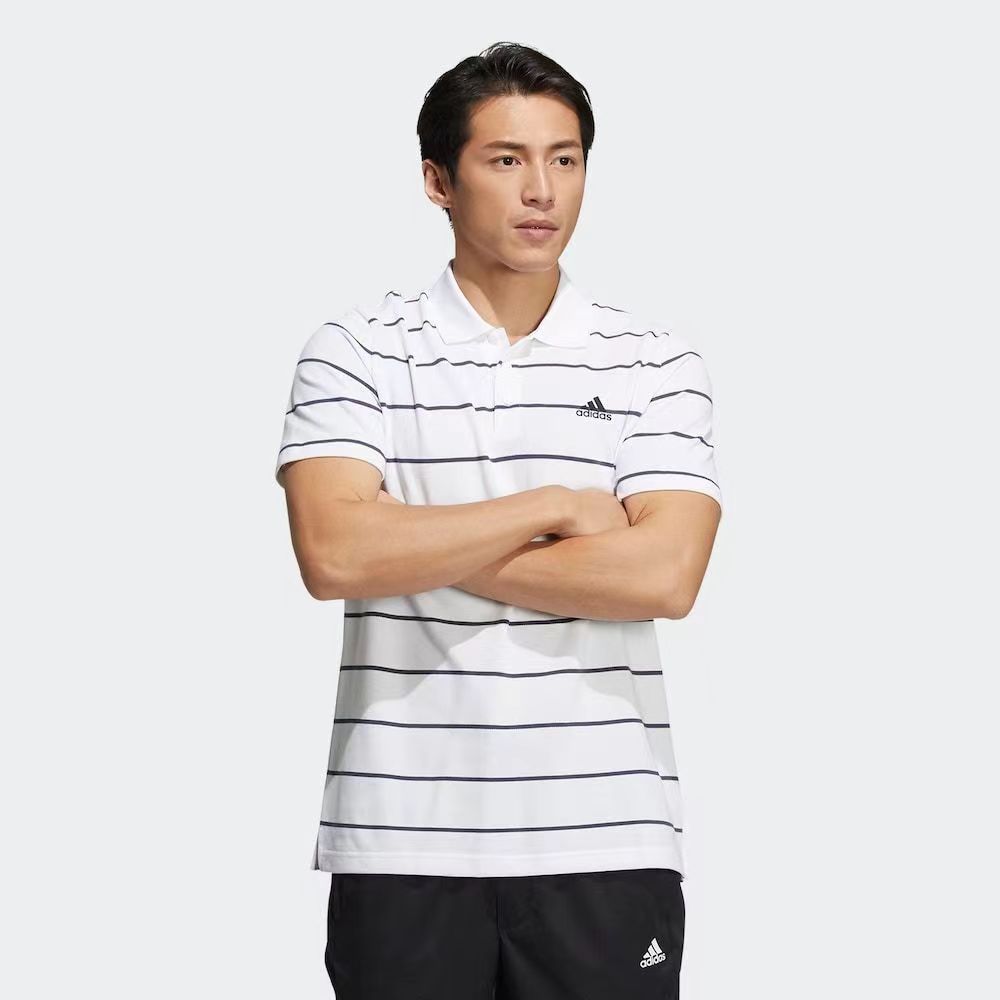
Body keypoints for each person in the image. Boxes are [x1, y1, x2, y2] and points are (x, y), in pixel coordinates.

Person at [275, 40, 722, 1000]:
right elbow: (333, 553)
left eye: (565, 159)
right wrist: (553, 509)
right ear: (438, 180)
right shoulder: (356, 350)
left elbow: (664, 576)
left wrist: (412, 542)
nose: (542, 190)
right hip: (401, 838)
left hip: (606, 835)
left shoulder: (652, 360)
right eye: (506, 159)